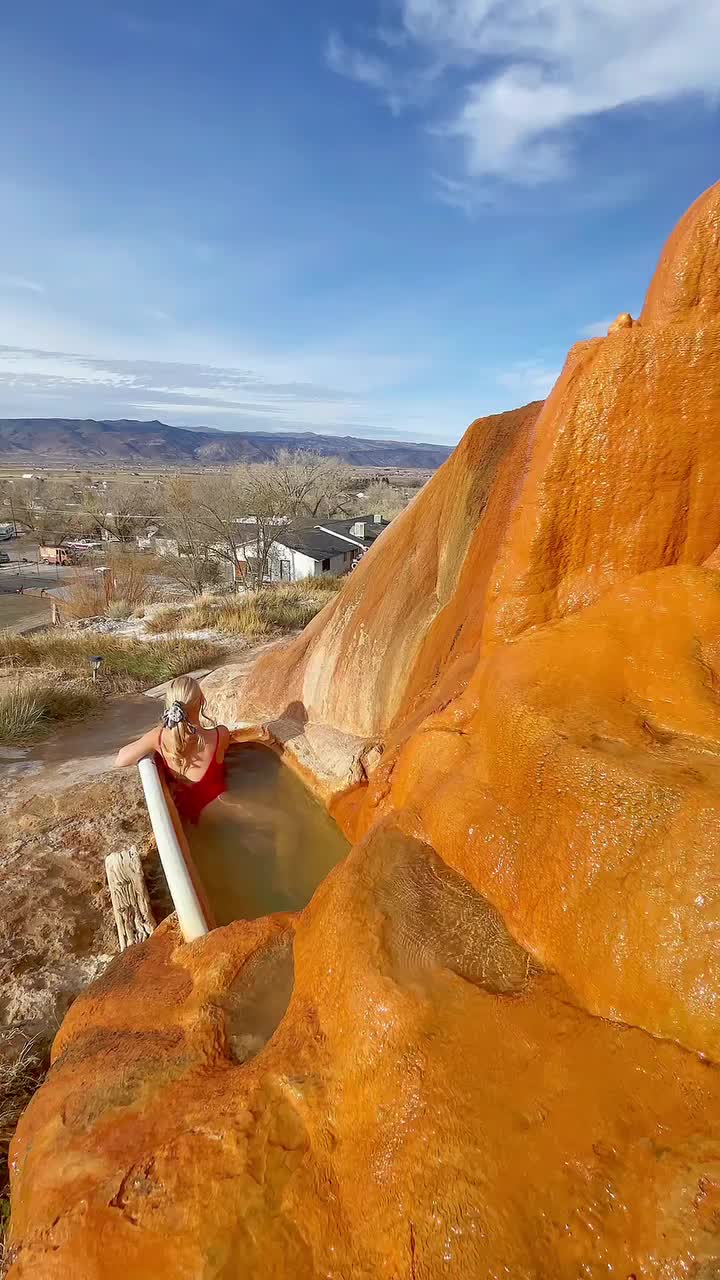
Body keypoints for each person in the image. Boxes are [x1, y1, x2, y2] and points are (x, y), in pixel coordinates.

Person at [116, 675, 272, 824]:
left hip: (184, 809)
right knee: (280, 821)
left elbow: (121, 759)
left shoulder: (158, 737)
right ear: (202, 701)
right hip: (219, 805)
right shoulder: (220, 734)